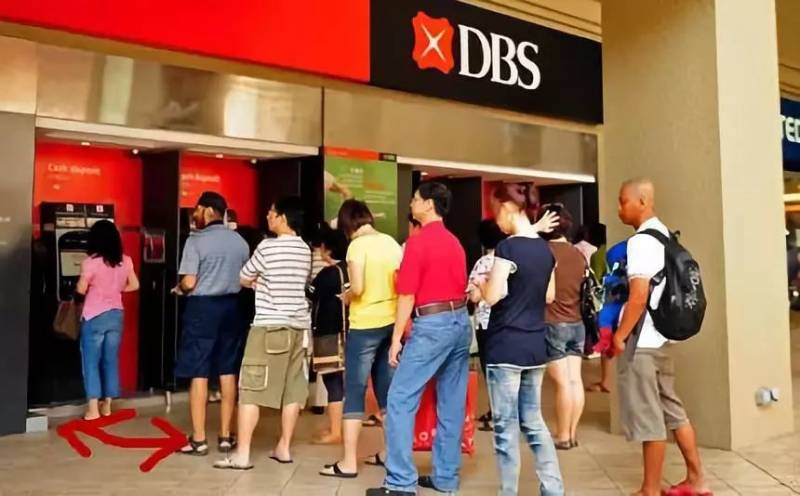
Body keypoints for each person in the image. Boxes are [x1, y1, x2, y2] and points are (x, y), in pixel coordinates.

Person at [367, 182, 470, 496]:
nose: (411, 203)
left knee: (400, 399)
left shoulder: (418, 242)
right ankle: (446, 478)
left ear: (428, 204)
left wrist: (396, 338)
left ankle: (400, 482)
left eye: (414, 199)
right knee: (451, 402)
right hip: (460, 321)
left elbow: (407, 295)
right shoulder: (454, 242)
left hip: (432, 326)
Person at [612, 178, 708, 496]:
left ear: (642, 201)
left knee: (649, 418)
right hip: (662, 339)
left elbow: (638, 296)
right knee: (672, 410)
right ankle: (697, 479)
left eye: (623, 201)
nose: (619, 208)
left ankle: (650, 489)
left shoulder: (641, 242)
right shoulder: (666, 236)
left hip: (643, 343)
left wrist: (620, 336)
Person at [477, 183, 563, 496]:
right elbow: (550, 296)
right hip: (534, 346)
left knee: (505, 428)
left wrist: (482, 285)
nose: (496, 220)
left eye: (495, 211)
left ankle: (508, 492)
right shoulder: (546, 250)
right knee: (533, 422)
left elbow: (493, 295)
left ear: (508, 208)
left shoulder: (508, 248)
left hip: (505, 346)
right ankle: (553, 488)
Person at [214, 196, 311, 470]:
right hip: (299, 328)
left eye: (271, 212)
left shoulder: (267, 247)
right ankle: (284, 447)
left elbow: (244, 277)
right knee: (293, 389)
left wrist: (258, 283)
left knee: (251, 389)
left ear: (283, 218)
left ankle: (242, 455)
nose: (268, 216)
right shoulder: (305, 249)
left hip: (269, 326)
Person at [320, 199, 402, 478]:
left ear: (347, 224)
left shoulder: (357, 246)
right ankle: (390, 455)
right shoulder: (391, 243)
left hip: (365, 325)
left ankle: (348, 463)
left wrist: (345, 296)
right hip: (391, 322)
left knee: (354, 391)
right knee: (386, 392)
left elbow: (357, 287)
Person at [174, 192, 249, 456]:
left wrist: (180, 288)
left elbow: (190, 282)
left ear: (207, 211)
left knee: (199, 370)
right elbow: (246, 278)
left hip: (202, 308)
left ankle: (199, 439)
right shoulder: (239, 242)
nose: (194, 215)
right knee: (228, 370)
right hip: (232, 308)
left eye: (196, 210)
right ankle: (226, 436)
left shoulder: (195, 241)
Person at [75, 220, 139, 421]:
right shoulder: (125, 261)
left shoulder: (90, 262)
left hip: (94, 316)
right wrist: (117, 290)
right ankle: (107, 406)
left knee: (91, 362)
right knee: (110, 360)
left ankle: (93, 409)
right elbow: (135, 285)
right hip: (116, 315)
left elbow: (81, 289)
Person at [540, 204, 587, 450]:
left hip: (552, 322)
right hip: (577, 323)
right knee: (574, 380)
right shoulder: (578, 254)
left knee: (562, 383)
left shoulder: (544, 253)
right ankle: (572, 433)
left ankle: (562, 436)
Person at [307, 227, 350, 445]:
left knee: (332, 381)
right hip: (349, 331)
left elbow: (310, 293)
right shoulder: (349, 269)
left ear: (327, 249)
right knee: (343, 381)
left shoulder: (328, 273)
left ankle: (335, 431)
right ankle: (339, 428)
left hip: (328, 333)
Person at [467, 219, 507, 431]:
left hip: (486, 323)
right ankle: (504, 412)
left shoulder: (483, 263)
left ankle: (496, 414)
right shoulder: (510, 261)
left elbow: (473, 296)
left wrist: (483, 287)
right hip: (508, 322)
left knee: (491, 370)